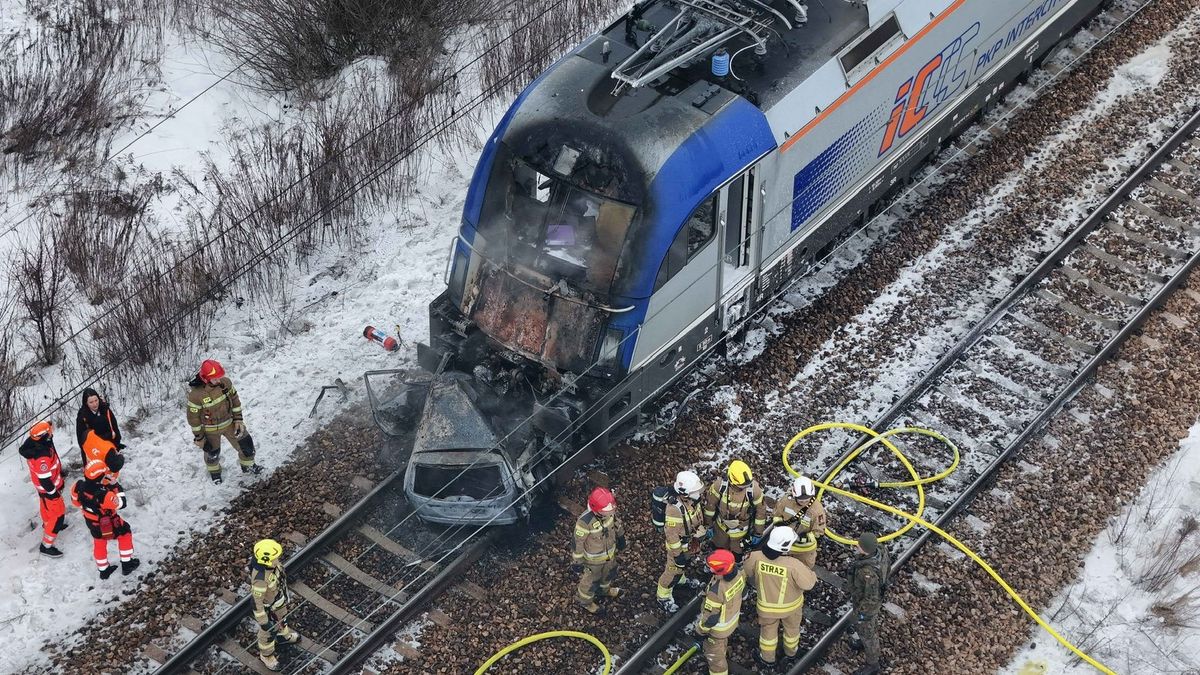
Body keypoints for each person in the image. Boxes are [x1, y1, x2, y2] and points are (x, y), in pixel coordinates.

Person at [744, 526, 817, 668]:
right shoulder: (794, 565)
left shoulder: (755, 557)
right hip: (792, 608)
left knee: (768, 634)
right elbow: (809, 584)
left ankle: (767, 659)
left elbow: (746, 571)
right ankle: (791, 653)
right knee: (792, 630)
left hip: (766, 608)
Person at [187, 359, 260, 483]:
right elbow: (193, 418)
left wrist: (238, 419)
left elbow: (235, 400)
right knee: (212, 454)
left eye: (219, 377)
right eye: (215, 379)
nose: (218, 380)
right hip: (210, 431)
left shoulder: (225, 383)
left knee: (246, 445)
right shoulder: (196, 395)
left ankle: (248, 466)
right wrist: (199, 437)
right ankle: (215, 473)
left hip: (230, 423)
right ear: (205, 379)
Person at [71, 456, 138, 578]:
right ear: (100, 476)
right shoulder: (104, 495)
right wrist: (115, 485)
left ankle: (103, 570)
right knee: (125, 533)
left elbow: (75, 502)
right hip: (108, 523)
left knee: (99, 542)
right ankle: (127, 564)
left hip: (91, 523)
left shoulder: (78, 486)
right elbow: (122, 503)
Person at [656, 470, 707, 613]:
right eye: (695, 492)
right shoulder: (674, 510)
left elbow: (697, 518)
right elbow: (671, 536)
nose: (699, 494)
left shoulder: (693, 502)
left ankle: (681, 580)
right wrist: (678, 555)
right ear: (684, 493)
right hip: (679, 548)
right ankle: (663, 596)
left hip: (690, 544)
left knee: (683, 567)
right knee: (672, 572)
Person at [572, 487, 625, 614]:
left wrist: (621, 536)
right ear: (596, 509)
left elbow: (616, 524)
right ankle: (586, 602)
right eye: (606, 511)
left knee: (608, 574)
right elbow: (578, 543)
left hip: (609, 555)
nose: (610, 513)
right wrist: (577, 562)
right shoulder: (584, 522)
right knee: (590, 582)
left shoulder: (609, 513)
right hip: (593, 561)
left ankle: (604, 591)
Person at [250, 539, 302, 671]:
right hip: (269, 609)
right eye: (274, 557)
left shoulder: (273, 565)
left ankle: (283, 636)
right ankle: (266, 655)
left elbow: (279, 576)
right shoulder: (260, 579)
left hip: (279, 602)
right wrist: (263, 621)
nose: (277, 558)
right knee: (268, 633)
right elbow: (257, 603)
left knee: (282, 620)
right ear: (267, 561)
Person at [19, 421, 68, 558]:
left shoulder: (34, 442)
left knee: (46, 508)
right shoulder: (42, 456)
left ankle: (48, 525)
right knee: (58, 515)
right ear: (44, 436)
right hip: (49, 490)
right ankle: (46, 546)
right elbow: (45, 480)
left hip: (44, 491)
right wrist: (53, 493)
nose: (51, 434)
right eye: (49, 432)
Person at [702, 460, 766, 559]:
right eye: (742, 486)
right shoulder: (719, 486)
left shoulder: (754, 490)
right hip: (720, 531)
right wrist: (708, 525)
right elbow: (710, 507)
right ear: (732, 481)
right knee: (718, 555)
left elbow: (760, 513)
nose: (745, 487)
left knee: (737, 557)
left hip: (741, 535)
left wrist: (758, 533)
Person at [847, 532, 890, 675]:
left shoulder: (868, 573)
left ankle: (873, 664)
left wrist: (861, 612)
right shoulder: (881, 551)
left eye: (859, 546)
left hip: (867, 607)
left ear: (864, 549)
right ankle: (863, 642)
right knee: (866, 630)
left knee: (868, 634)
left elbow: (871, 598)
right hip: (869, 600)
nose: (856, 547)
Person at [696, 549, 744, 675]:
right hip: (731, 620)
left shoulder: (716, 590)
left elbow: (711, 617)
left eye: (711, 567)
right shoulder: (739, 574)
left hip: (717, 630)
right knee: (722, 642)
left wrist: (700, 631)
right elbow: (742, 593)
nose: (709, 569)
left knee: (715, 657)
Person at [769, 475, 827, 568]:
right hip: (784, 542)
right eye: (801, 500)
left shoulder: (817, 510)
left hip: (804, 547)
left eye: (807, 500)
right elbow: (776, 515)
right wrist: (779, 525)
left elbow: (818, 532)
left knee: (804, 568)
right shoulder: (786, 501)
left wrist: (802, 538)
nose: (804, 502)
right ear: (794, 495)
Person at [76, 387, 122, 451]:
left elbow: (114, 427)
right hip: (94, 450)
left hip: (110, 445)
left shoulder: (105, 409)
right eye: (91, 402)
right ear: (86, 403)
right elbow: (81, 439)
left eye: (96, 400)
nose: (95, 404)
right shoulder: (82, 416)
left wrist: (116, 443)